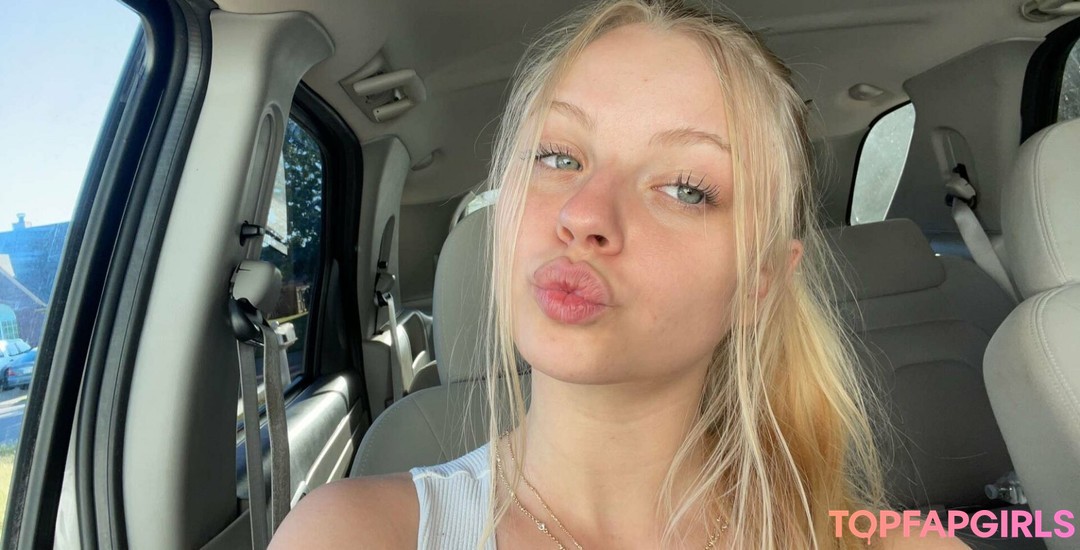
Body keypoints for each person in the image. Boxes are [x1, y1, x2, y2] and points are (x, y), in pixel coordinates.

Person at [273, 1, 971, 548]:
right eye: (557, 156)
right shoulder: (347, 536)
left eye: (686, 188)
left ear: (759, 281)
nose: (582, 214)